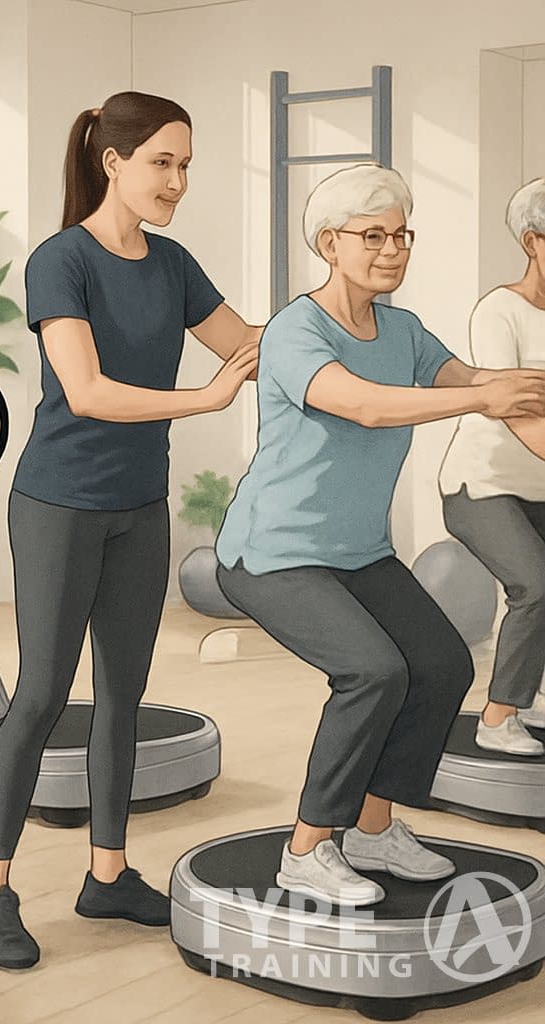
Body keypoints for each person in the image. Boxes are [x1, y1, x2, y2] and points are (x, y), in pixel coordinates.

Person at [0, 91, 260, 970]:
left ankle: (107, 873)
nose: (176, 181)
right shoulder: (62, 261)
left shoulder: (172, 264)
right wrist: (201, 399)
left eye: (186, 166)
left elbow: (247, 341)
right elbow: (87, 391)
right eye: (163, 162)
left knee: (123, 696)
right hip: (59, 504)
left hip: (140, 506)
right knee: (43, 695)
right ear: (114, 162)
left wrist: (341, 323)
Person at [214, 164, 545, 907]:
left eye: (402, 235)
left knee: (441, 665)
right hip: (272, 553)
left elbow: (478, 384)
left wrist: (512, 391)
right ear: (330, 243)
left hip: (356, 552)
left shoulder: (402, 330)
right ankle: (306, 848)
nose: (393, 249)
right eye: (374, 235)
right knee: (373, 672)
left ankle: (371, 829)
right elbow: (361, 405)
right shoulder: (297, 330)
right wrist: (482, 392)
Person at [439, 178, 545, 755]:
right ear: (533, 242)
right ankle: (498, 716)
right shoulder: (499, 313)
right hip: (485, 486)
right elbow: (517, 415)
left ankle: (535, 690)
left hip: (540, 489)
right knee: (537, 584)